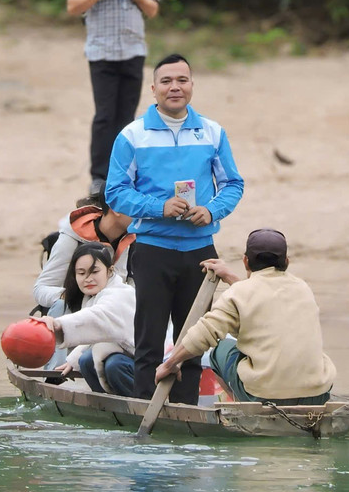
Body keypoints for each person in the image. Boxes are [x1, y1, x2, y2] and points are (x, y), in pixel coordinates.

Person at [105, 53, 244, 405]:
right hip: (152, 249)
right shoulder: (132, 135)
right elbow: (116, 192)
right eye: (166, 81)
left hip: (200, 252)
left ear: (192, 85)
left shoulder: (212, 132)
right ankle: (144, 413)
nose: (175, 87)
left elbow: (233, 184)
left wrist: (211, 211)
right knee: (149, 342)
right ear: (153, 89)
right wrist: (159, 207)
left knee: (193, 342)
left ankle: (185, 415)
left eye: (182, 80)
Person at [155, 228, 335, 406]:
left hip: (264, 395)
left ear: (245, 262)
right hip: (317, 394)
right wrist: (230, 278)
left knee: (219, 349)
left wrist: (170, 363)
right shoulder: (303, 288)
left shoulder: (239, 293)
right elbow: (262, 298)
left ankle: (243, 409)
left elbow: (203, 334)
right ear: (287, 262)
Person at [66, 0, 161, 194]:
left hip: (133, 51)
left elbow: (153, 10)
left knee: (127, 117)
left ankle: (124, 174)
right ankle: (99, 176)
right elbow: (73, 7)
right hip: (102, 53)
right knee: (105, 116)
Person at [33, 242, 138, 397]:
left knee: (114, 365)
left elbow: (97, 317)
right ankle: (107, 407)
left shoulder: (121, 294)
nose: (88, 279)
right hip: (128, 356)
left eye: (94, 271)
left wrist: (57, 323)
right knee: (86, 360)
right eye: (81, 273)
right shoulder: (92, 298)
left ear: (110, 271)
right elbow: (98, 335)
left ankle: (140, 405)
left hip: (154, 364)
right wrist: (72, 361)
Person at [32, 193, 135, 312]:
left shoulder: (133, 241)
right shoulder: (73, 238)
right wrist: (75, 298)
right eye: (136, 207)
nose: (143, 213)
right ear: (115, 209)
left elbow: (133, 290)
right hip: (71, 316)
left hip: (110, 314)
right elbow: (40, 289)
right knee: (60, 307)